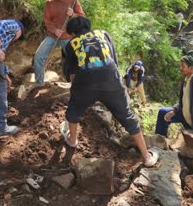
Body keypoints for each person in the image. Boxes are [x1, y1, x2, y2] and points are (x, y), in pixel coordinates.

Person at [62, 16, 159, 167]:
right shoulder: (103, 34)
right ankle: (146, 157)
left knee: (74, 109)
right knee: (127, 115)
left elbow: (72, 74)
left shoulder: (71, 44)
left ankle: (73, 140)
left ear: (72, 32)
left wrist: (76, 93)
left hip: (86, 82)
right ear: (89, 27)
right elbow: (114, 60)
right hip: (111, 81)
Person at [33, 0, 85, 86]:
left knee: (75, 60)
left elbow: (83, 18)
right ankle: (39, 83)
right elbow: (47, 20)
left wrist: (73, 15)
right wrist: (54, 30)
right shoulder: (49, 2)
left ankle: (78, 84)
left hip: (68, 37)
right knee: (38, 56)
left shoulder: (73, 1)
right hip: (53, 35)